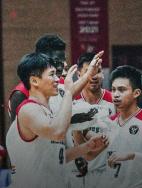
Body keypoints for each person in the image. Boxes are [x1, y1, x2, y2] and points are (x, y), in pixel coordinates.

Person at [5, 52, 106, 188]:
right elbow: (58, 131)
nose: (58, 79)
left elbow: (56, 158)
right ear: (34, 81)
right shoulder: (28, 110)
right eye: (52, 74)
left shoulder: (47, 112)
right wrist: (69, 93)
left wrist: (87, 147)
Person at [65, 52, 115, 188]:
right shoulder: (69, 102)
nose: (93, 76)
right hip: (75, 172)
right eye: (88, 71)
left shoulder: (115, 101)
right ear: (79, 75)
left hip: (107, 173)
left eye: (97, 71)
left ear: (103, 74)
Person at [97, 65, 142, 188]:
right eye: (113, 89)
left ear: (136, 93)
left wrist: (131, 155)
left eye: (121, 90)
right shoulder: (107, 123)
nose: (115, 94)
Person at [8, 34, 67, 122]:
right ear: (42, 58)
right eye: (56, 61)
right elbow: (16, 133)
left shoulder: (62, 83)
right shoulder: (20, 93)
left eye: (63, 60)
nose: (61, 66)